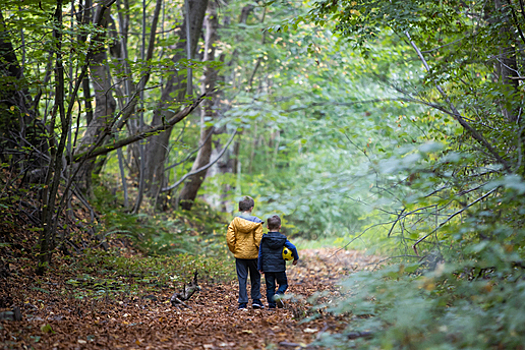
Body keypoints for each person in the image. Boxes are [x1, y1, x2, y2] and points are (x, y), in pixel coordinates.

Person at [227, 196, 265, 310]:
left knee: (242, 278)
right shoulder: (257, 223)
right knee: (255, 277)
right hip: (254, 255)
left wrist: (235, 249)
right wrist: (260, 252)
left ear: (239, 208)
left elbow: (229, 239)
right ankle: (256, 300)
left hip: (240, 255)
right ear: (251, 208)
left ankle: (242, 303)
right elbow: (259, 240)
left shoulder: (234, 222)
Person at [258, 215, 299, 309]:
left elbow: (260, 254)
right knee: (284, 284)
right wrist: (295, 258)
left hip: (268, 268)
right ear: (280, 226)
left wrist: (260, 267)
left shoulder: (264, 239)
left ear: (267, 227)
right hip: (279, 267)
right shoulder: (283, 239)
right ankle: (279, 293)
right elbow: (293, 247)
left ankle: (271, 306)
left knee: (270, 287)